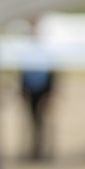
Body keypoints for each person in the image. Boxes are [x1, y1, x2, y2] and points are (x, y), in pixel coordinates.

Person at [18, 19, 58, 161]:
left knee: (43, 121)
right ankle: (32, 150)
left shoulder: (46, 47)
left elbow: (53, 70)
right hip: (30, 88)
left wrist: (51, 91)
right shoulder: (26, 48)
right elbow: (23, 70)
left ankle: (44, 151)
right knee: (30, 120)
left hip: (43, 88)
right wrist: (22, 88)